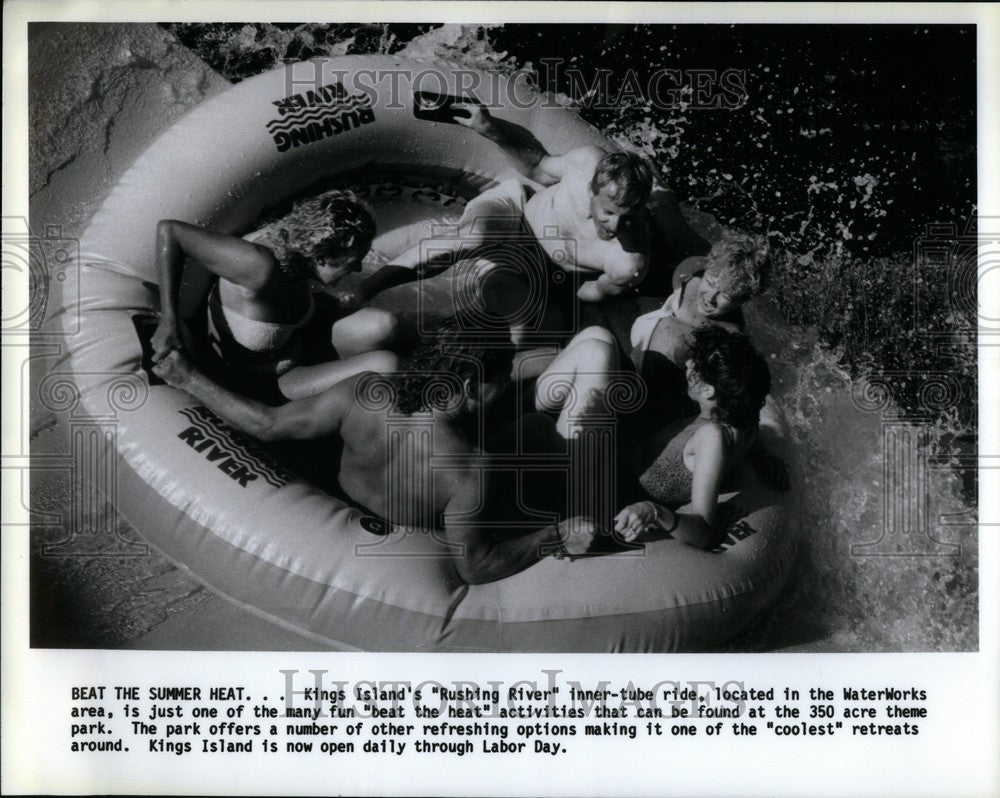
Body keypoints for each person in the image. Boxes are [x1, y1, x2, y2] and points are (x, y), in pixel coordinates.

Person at [152, 318, 598, 585]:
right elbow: (476, 567)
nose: (502, 385)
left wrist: (188, 377)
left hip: (336, 499)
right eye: (500, 377)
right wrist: (555, 535)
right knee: (536, 430)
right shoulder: (471, 471)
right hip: (399, 546)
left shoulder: (366, 393)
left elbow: (267, 425)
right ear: (467, 384)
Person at [354, 107, 655, 333]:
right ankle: (366, 289)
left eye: (627, 218)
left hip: (534, 269)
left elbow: (589, 293)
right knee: (473, 238)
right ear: (593, 189)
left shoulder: (627, 264)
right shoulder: (586, 164)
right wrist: (490, 129)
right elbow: (537, 166)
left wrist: (549, 294)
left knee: (522, 324)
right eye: (609, 213)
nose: (615, 227)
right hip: (515, 209)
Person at [150, 189, 399, 401]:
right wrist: (169, 321)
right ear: (322, 256)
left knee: (385, 325)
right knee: (386, 365)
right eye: (354, 262)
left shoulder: (298, 247)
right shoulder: (256, 265)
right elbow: (171, 231)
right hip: (263, 380)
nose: (358, 269)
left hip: (295, 345)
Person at [613, 327, 772, 550]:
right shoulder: (745, 419)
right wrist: (766, 459)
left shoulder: (712, 437)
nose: (688, 364)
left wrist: (653, 511)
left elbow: (704, 531)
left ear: (708, 391)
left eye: (695, 365)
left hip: (625, 497)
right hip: (631, 464)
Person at [627, 230, 771, 418]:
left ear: (742, 300)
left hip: (651, 389)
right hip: (638, 353)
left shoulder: (727, 336)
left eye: (725, 296)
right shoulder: (691, 271)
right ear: (707, 267)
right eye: (710, 282)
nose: (710, 298)